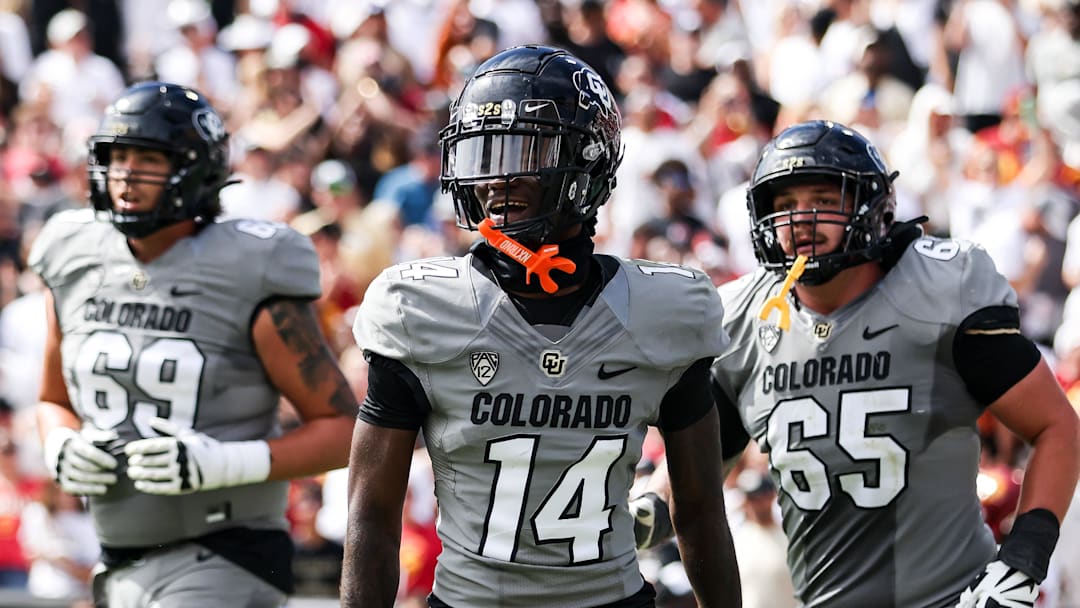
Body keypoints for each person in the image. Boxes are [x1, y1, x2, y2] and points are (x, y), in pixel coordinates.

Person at [341, 45, 741, 608]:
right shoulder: (421, 307)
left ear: (588, 161)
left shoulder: (665, 308)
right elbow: (372, 517)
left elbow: (699, 509)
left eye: (520, 152)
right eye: (482, 154)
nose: (495, 179)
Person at [636, 120, 1080, 608]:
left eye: (823, 202)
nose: (800, 220)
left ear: (873, 207)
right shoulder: (745, 322)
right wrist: (644, 513)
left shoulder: (938, 292)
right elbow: (700, 466)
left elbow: (1058, 427)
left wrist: (1022, 560)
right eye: (784, 206)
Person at [28, 81, 358, 607]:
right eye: (119, 157)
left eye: (149, 159)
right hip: (116, 556)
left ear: (194, 168)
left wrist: (227, 463)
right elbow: (53, 401)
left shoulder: (249, 267)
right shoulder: (75, 256)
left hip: (226, 551)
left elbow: (345, 431)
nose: (127, 176)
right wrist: (60, 444)